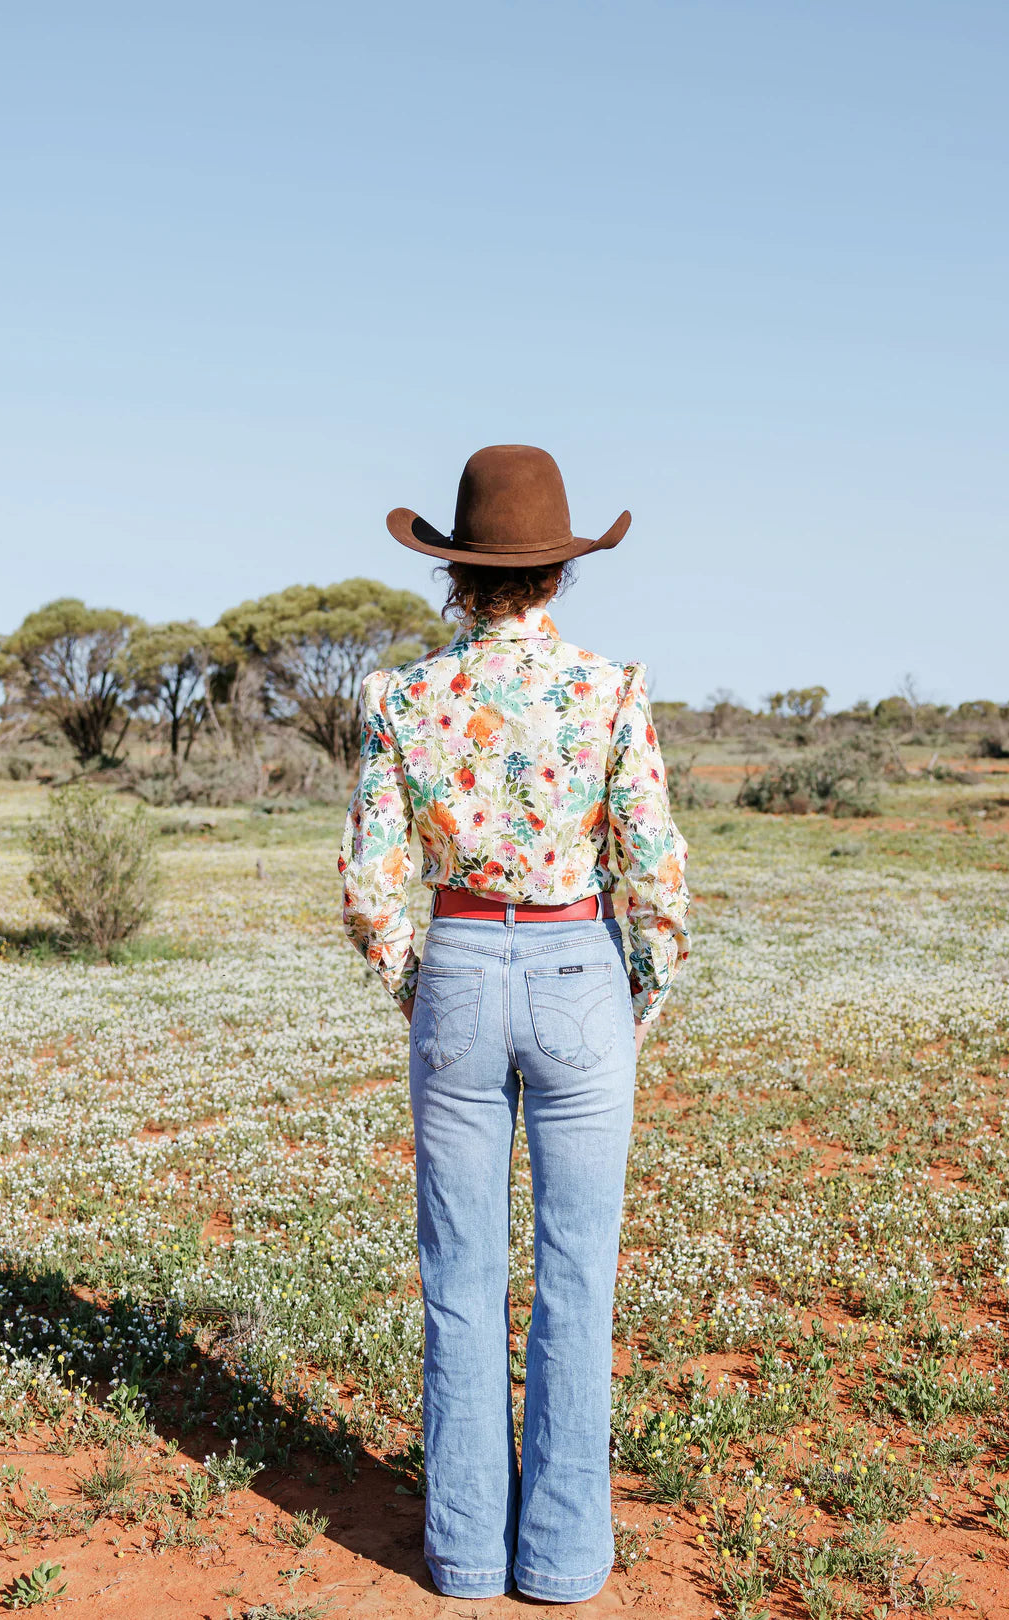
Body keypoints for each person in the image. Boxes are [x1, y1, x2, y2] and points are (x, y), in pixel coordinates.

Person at [339, 444, 690, 1604]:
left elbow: (368, 883)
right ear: (558, 572)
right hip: (583, 963)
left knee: (459, 1273)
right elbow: (654, 873)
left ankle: (464, 1555)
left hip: (459, 970)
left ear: (457, 574)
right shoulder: (609, 688)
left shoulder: (403, 697)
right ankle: (562, 1561)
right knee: (579, 1279)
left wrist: (421, 984)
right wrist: (629, 994)